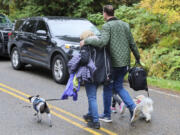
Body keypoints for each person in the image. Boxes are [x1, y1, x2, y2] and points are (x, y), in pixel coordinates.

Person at [80, 5, 141, 123]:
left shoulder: (107, 26)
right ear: (113, 12)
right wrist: (137, 57)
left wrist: (86, 41)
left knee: (108, 88)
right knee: (118, 86)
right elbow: (132, 43)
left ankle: (107, 115)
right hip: (125, 63)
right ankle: (133, 108)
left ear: (104, 13)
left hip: (113, 64)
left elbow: (102, 42)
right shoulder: (125, 25)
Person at [80, 30, 101, 129]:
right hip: (100, 73)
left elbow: (84, 60)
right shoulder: (100, 44)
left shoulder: (86, 46)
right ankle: (90, 114)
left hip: (90, 74)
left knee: (92, 98)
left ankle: (96, 121)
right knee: (92, 96)